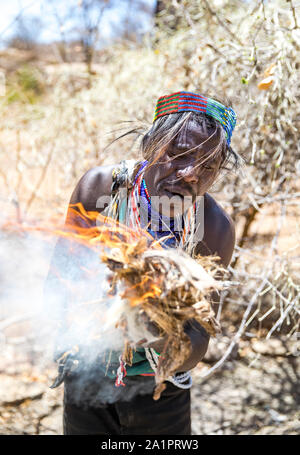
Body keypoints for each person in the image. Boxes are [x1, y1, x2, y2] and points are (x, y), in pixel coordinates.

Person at [46, 91, 239, 435]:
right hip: (86, 374)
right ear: (149, 146)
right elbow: (59, 281)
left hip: (161, 394)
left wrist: (154, 331)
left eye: (208, 165)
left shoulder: (213, 229)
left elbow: (198, 340)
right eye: (177, 155)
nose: (192, 173)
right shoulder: (101, 190)